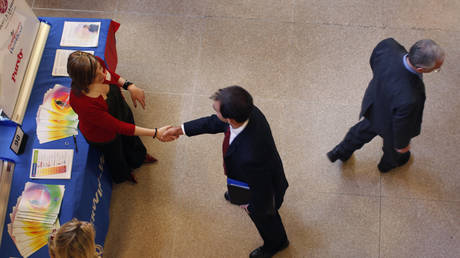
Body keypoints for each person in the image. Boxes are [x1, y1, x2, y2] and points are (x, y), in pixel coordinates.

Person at [165, 86, 289, 258]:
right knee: (238, 192)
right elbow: (213, 122)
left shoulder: (250, 155)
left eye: (216, 110)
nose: (214, 112)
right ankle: (238, 196)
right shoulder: (249, 112)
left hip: (262, 191)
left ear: (230, 119)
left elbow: (262, 190)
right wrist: (180, 129)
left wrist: (251, 206)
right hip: (242, 178)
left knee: (264, 218)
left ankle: (277, 242)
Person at [327, 38, 445, 172]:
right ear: (420, 69)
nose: (437, 69)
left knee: (363, 130)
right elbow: (402, 125)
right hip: (389, 120)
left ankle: (341, 151)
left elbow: (374, 61)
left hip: (374, 103)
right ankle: (387, 165)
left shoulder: (388, 46)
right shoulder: (411, 97)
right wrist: (402, 145)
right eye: (436, 69)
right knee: (392, 147)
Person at [68, 51, 176, 184]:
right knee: (116, 156)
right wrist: (155, 133)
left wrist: (129, 86)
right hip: (103, 134)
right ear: (85, 81)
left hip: (120, 111)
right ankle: (124, 175)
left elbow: (110, 75)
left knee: (132, 141)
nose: (103, 74)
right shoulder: (83, 104)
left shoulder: (96, 65)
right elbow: (117, 126)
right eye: (97, 76)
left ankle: (139, 158)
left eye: (101, 69)